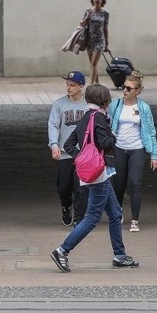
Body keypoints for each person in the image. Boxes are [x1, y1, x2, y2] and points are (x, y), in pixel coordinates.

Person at [49, 84, 138, 273]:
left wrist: (80, 157)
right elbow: (105, 142)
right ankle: (62, 250)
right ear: (103, 101)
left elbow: (69, 143)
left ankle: (120, 256)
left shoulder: (85, 117)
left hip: (94, 172)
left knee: (115, 215)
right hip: (99, 174)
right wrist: (113, 136)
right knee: (92, 218)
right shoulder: (99, 118)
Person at [107, 71, 157, 232]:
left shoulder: (143, 108)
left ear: (137, 91)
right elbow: (107, 126)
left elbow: (150, 131)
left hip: (137, 149)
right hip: (119, 148)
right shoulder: (115, 105)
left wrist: (154, 155)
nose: (125, 91)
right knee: (119, 184)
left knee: (135, 183)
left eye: (129, 88)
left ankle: (135, 220)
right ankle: (118, 212)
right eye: (124, 87)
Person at [48, 70, 90, 227]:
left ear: (81, 86)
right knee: (63, 186)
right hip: (65, 153)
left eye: (72, 85)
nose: (68, 87)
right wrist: (53, 145)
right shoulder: (59, 104)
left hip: (84, 154)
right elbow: (53, 125)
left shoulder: (88, 104)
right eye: (67, 84)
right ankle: (66, 206)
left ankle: (79, 217)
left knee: (81, 188)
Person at [79, 0, 110, 85]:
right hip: (89, 41)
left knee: (93, 63)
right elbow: (81, 24)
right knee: (93, 64)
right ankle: (97, 83)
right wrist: (87, 17)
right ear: (92, 0)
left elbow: (105, 28)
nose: (96, 0)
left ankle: (91, 85)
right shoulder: (88, 11)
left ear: (102, 0)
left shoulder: (105, 13)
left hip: (100, 41)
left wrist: (107, 44)